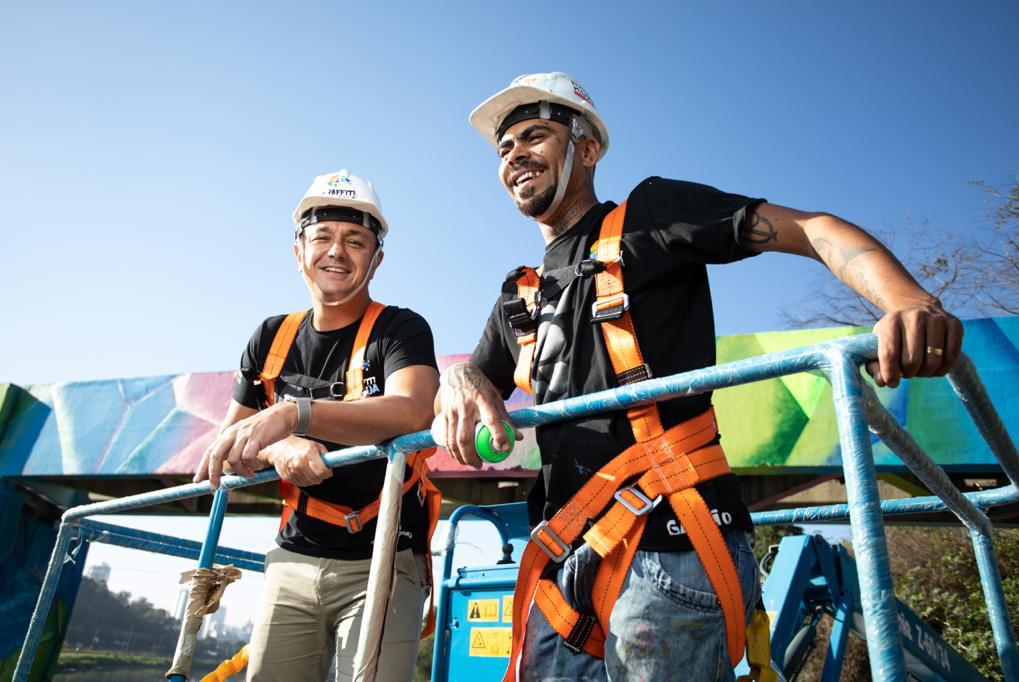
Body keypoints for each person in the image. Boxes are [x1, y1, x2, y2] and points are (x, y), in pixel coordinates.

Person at [435, 72, 964, 681]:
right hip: (564, 566)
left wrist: (911, 303)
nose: (515, 155)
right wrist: (460, 380)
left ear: (585, 149)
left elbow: (813, 230)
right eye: (504, 148)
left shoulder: (651, 216)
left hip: (670, 549)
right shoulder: (519, 294)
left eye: (535, 135)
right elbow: (480, 377)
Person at [194, 169, 440, 681]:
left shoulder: (399, 330)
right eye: (322, 237)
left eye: (355, 241)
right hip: (292, 558)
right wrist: (280, 445)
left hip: (383, 563)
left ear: (377, 259)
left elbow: (411, 411)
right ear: (298, 251)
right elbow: (228, 446)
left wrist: (293, 413)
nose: (336, 252)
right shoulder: (271, 338)